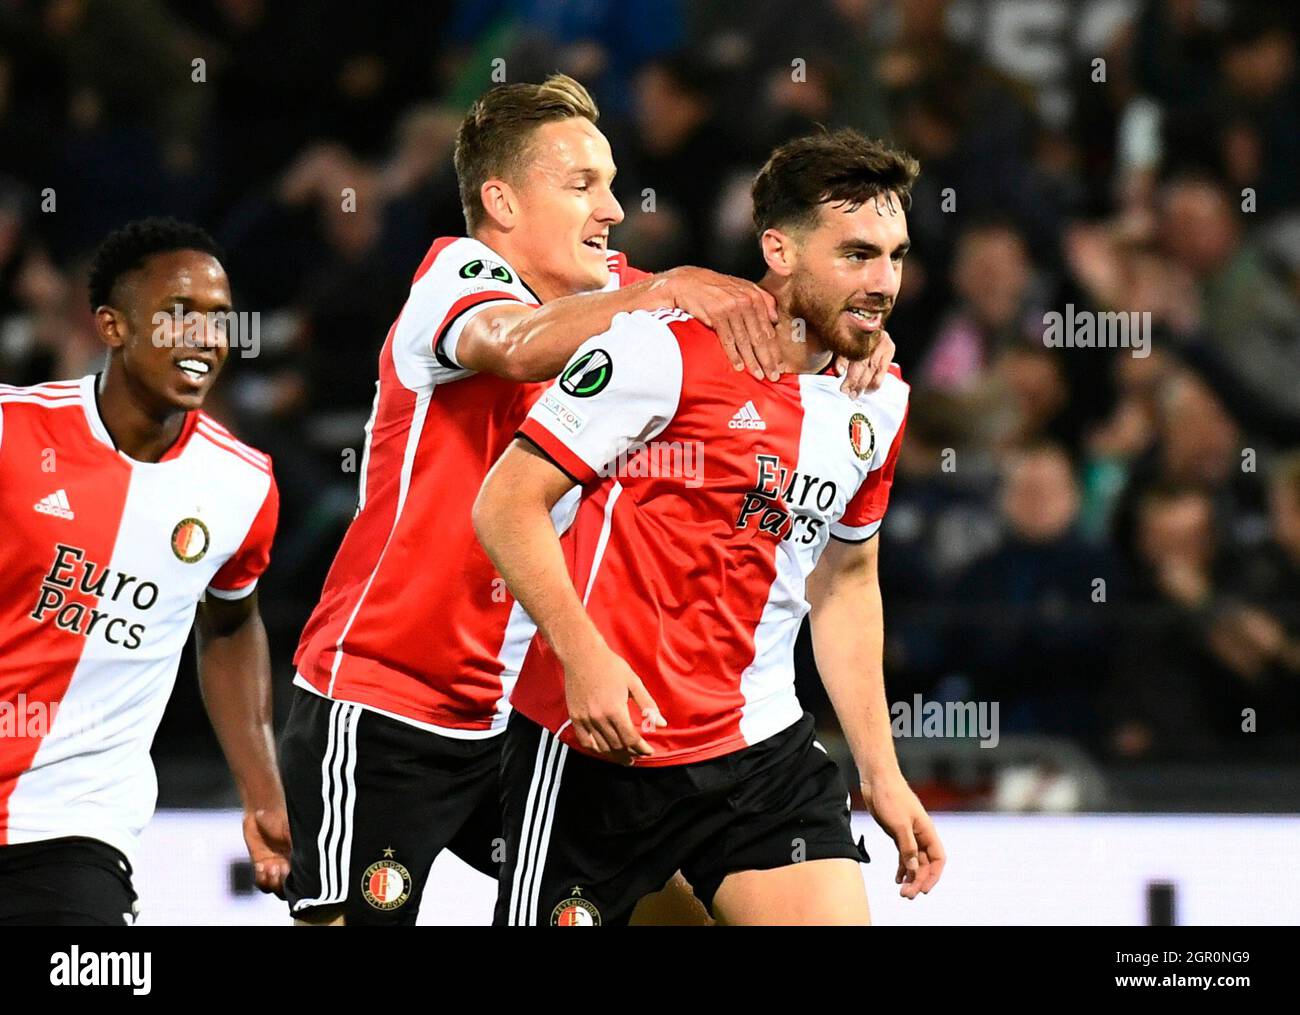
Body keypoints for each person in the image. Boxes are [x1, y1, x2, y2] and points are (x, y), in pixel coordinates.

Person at [282, 75, 898, 926]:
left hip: (539, 710)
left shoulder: (616, 289)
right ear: (500, 199)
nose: (612, 208)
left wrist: (859, 324)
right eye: (582, 186)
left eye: (611, 183)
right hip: (394, 702)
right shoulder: (456, 278)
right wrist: (663, 287)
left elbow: (761, 316)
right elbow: (512, 342)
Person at [475, 128, 945, 926]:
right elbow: (504, 502)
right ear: (779, 249)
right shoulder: (662, 352)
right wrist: (584, 659)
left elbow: (846, 580)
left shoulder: (880, 400)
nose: (883, 283)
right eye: (858, 255)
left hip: (759, 753)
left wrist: (883, 773)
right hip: (598, 747)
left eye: (896, 256)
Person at [0, 218, 287, 925]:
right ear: (112, 326)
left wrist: (262, 790)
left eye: (219, 320)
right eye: (177, 314)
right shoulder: (13, 431)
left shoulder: (241, 485)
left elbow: (230, 623)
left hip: (77, 829)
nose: (203, 337)